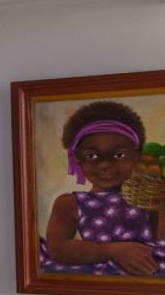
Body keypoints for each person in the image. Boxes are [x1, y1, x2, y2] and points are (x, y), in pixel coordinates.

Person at [40, 100, 165, 277]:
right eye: (91, 156)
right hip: (98, 277)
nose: (104, 165)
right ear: (77, 159)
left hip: (143, 277)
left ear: (137, 155)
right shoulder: (70, 203)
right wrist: (112, 251)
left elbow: (161, 243)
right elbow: (59, 250)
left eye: (118, 155)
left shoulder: (148, 197)